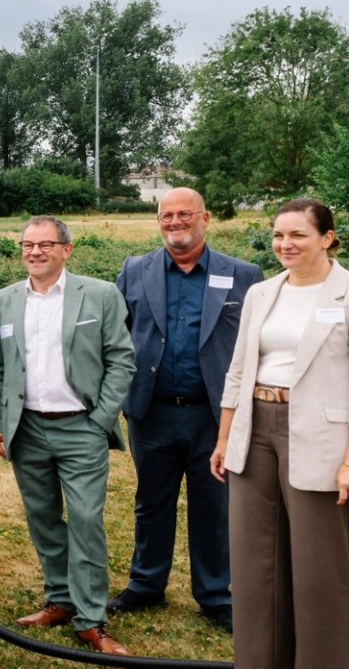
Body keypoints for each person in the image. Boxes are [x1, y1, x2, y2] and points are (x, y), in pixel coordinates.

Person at [212, 199, 349, 669]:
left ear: (328, 238)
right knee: (255, 555)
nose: (285, 245)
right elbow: (237, 371)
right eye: (277, 236)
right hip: (257, 427)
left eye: (297, 235)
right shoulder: (261, 293)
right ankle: (262, 666)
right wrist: (227, 437)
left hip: (320, 435)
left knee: (320, 563)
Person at [110, 188, 263, 633]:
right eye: (166, 216)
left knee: (214, 505)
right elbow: (117, 335)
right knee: (151, 500)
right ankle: (145, 584)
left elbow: (256, 345)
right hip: (151, 411)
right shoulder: (134, 271)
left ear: (205, 219)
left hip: (213, 416)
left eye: (184, 214)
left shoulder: (243, 275)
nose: (175, 222)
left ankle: (215, 595)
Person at [0, 216, 136, 655]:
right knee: (43, 517)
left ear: (66, 250)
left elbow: (121, 360)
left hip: (81, 427)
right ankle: (60, 600)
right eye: (27, 245)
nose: (34, 252)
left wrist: (101, 419)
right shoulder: (5, 300)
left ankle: (92, 620)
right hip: (27, 427)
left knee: (86, 520)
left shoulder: (101, 295)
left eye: (45, 245)